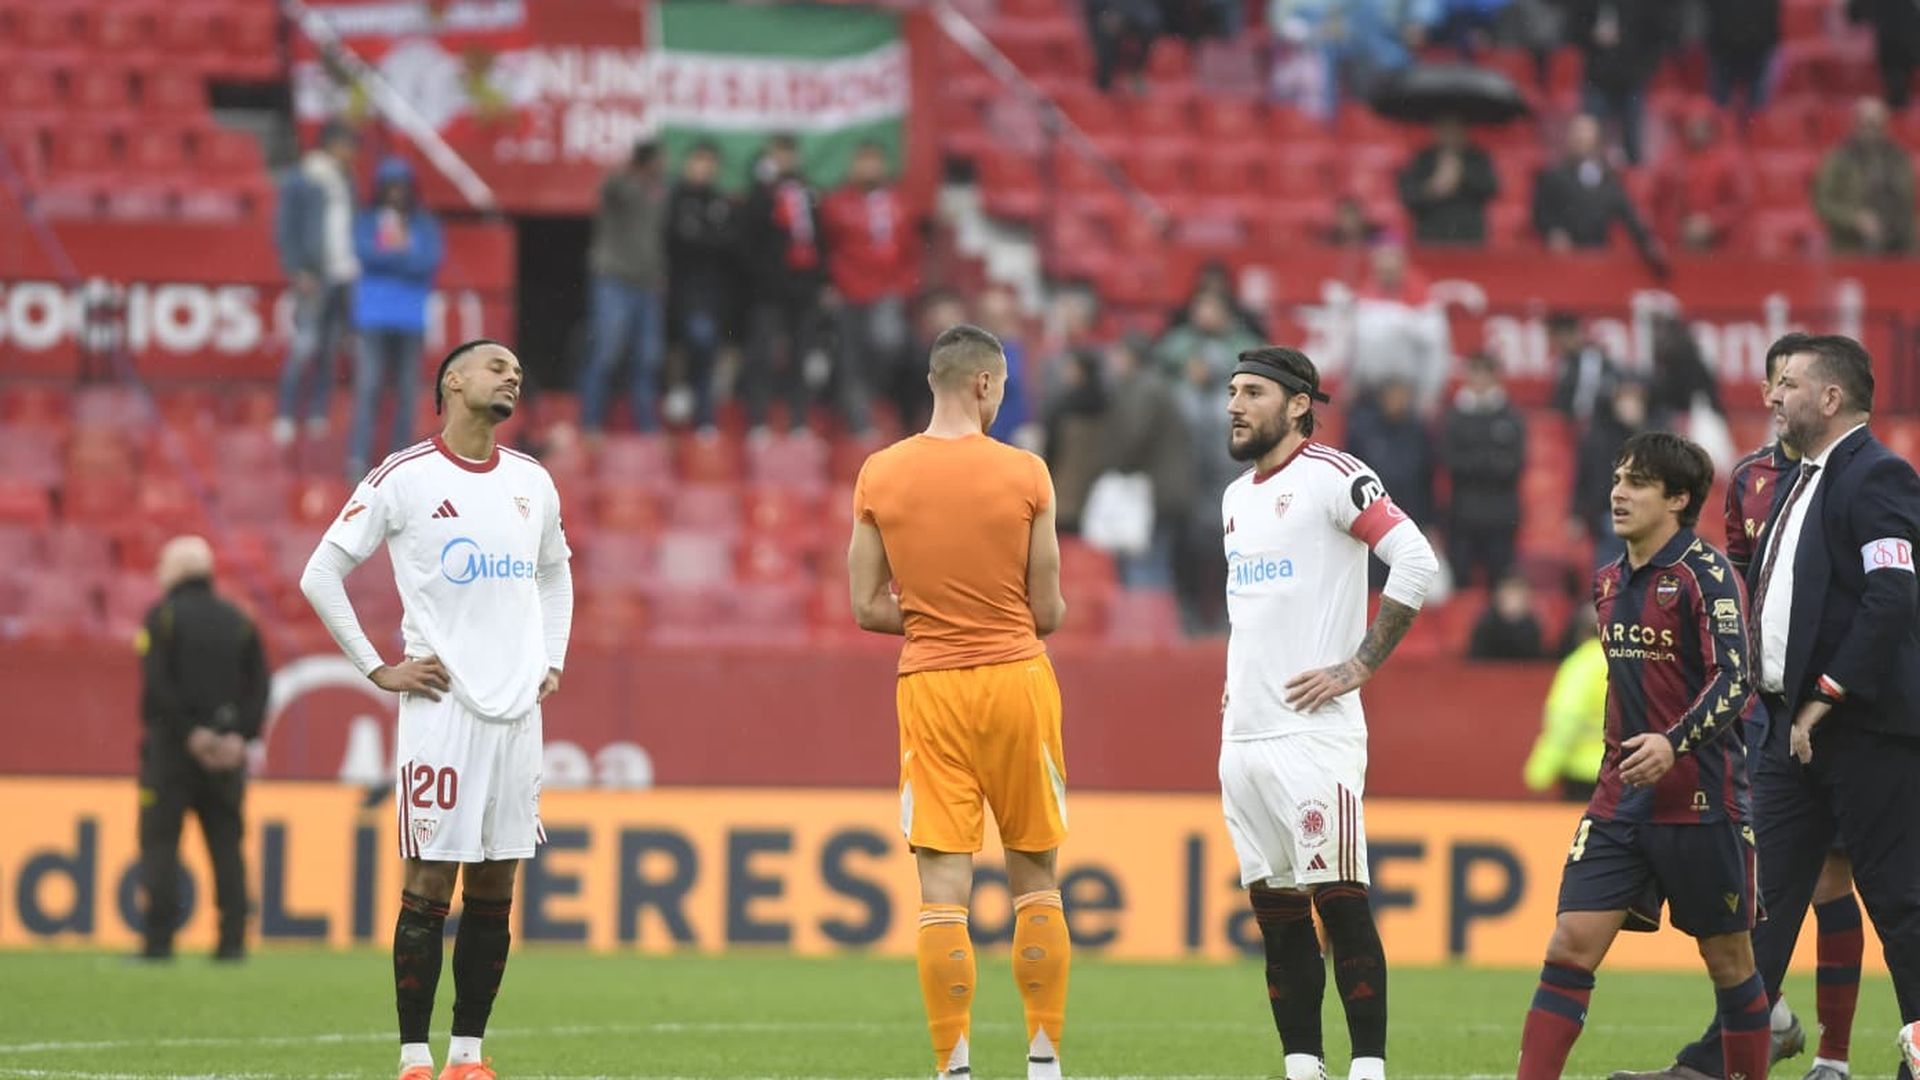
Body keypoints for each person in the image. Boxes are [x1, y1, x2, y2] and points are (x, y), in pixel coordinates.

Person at [1614, 334, 1920, 1080]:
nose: (1773, 396)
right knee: (1766, 901)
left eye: (1788, 385)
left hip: (1866, 728)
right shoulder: (1791, 479)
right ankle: (1722, 1059)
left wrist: (1830, 694)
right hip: (1786, 726)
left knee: (1899, 903)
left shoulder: (1880, 476)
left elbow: (1893, 595)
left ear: (1831, 398)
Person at [299, 339, 574, 1080]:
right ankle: (414, 1058)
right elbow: (321, 571)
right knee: (430, 883)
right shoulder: (405, 478)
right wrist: (378, 668)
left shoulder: (533, 482)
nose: (512, 374)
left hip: (518, 714)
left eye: (519, 369)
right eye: (495, 366)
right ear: (452, 381)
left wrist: (552, 657)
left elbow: (556, 574)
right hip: (442, 708)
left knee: (497, 885)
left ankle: (468, 1057)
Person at [847, 324, 1071, 1080]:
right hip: (1016, 679)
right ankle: (1043, 1061)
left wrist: (938, 614)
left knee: (943, 890)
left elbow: (865, 605)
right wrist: (995, 614)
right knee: (1034, 876)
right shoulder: (1027, 473)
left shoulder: (880, 472)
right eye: (1002, 386)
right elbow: (1047, 609)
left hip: (931, 687)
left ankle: (955, 1065)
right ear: (982, 384)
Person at [1217, 346, 1440, 1080]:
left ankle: (1368, 1068)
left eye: (1252, 392)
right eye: (1231, 392)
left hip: (1313, 736)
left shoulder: (1335, 477)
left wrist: (1360, 665)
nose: (1235, 405)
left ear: (1298, 404)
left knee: (1339, 903)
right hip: (1243, 735)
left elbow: (1414, 559)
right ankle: (1302, 1068)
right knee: (1276, 918)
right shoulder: (1234, 498)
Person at [1515, 431, 1765, 1080]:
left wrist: (1673, 741)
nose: (1617, 494)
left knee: (1731, 963)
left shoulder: (1708, 577)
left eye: (1637, 483)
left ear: (1678, 499)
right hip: (1619, 800)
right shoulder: (1606, 583)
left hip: (1702, 800)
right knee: (1571, 945)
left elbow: (1736, 680)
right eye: (1617, 479)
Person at [1718, 342, 1860, 1077]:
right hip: (1760, 707)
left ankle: (1832, 1057)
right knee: (1747, 875)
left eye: (1789, 382)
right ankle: (1765, 1015)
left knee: (1834, 880)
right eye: (1771, 382)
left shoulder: (1851, 475)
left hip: (1832, 707)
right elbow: (1737, 592)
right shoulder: (1747, 480)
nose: (1776, 395)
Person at [135, 535, 269, 962]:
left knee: (160, 846)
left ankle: (159, 943)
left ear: (175, 570)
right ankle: (232, 942)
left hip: (172, 754)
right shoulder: (240, 619)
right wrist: (238, 737)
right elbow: (260, 687)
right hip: (227, 758)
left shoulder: (164, 617)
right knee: (226, 848)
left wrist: (192, 734)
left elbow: (156, 687)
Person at [348, 156, 444, 482]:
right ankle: (358, 458)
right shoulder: (367, 220)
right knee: (369, 387)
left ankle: (401, 462)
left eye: (401, 188)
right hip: (373, 316)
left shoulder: (424, 223)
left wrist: (390, 259)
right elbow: (364, 254)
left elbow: (428, 261)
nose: (395, 194)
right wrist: (403, 258)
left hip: (410, 318)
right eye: (389, 188)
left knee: (406, 391)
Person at [823, 141, 920, 437]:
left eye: (873, 162)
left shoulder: (899, 204)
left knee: (887, 342)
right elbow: (827, 246)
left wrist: (904, 285)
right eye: (862, 162)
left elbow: (910, 249)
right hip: (849, 290)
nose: (868, 169)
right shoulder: (837, 204)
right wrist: (830, 285)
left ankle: (879, 398)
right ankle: (858, 419)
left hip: (886, 290)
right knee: (851, 357)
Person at [274, 119, 359, 448]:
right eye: (347, 144)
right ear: (332, 144)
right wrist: (297, 269)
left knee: (330, 345)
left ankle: (318, 411)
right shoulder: (304, 178)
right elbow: (285, 227)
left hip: (344, 273)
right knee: (305, 344)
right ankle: (285, 412)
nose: (352, 152)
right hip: (314, 273)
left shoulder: (346, 180)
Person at [740, 134, 828, 438]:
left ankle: (799, 421)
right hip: (769, 291)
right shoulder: (761, 194)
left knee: (801, 356)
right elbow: (749, 240)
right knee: (762, 355)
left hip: (803, 290)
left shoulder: (808, 193)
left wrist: (820, 282)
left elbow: (819, 240)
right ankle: (758, 421)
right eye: (779, 154)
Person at [579, 140, 669, 435]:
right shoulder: (623, 185)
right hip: (614, 280)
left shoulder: (659, 193)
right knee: (607, 352)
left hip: (646, 285)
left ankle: (647, 430)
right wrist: (634, 166)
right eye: (658, 160)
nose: (663, 165)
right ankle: (591, 424)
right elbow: (609, 188)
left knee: (647, 358)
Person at [665, 141, 738, 436]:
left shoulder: (719, 201)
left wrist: (701, 237)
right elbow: (678, 239)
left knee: (706, 346)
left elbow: (729, 242)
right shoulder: (674, 197)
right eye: (699, 161)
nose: (703, 168)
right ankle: (679, 394)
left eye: (709, 163)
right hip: (675, 289)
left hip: (711, 293)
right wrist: (706, 238)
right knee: (683, 343)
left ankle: (704, 416)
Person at [1440, 352, 1526, 589]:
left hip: (1501, 516)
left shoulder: (1511, 416)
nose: (1478, 379)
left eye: (1484, 372)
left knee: (1500, 585)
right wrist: (1490, 460)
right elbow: (1452, 463)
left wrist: (1475, 461)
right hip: (1463, 517)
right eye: (1473, 372)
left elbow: (1514, 466)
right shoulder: (1454, 417)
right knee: (1461, 584)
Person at [1531, 115, 1663, 266]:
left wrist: (1646, 242)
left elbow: (1627, 214)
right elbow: (1540, 213)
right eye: (1577, 134)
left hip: (1598, 255)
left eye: (1586, 134)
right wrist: (1552, 233)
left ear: (1597, 140)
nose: (1581, 139)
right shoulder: (1553, 175)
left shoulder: (1608, 178)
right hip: (1563, 257)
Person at [1813, 97, 1917, 256]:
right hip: (1850, 250)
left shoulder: (1900, 158)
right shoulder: (1838, 159)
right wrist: (1855, 219)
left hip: (1897, 249)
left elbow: (1909, 204)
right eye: (1866, 124)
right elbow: (1822, 203)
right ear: (1855, 124)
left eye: (1877, 125)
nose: (1871, 131)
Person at [1522, 612, 1607, 802]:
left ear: (1581, 634)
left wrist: (1541, 772)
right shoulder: (1633, 663)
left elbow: (1566, 723)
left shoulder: (1582, 665)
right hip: (1627, 773)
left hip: (1583, 774)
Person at [1650, 104, 1751, 255]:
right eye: (1691, 125)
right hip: (1679, 242)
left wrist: (1712, 223)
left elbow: (1741, 203)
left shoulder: (1730, 159)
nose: (1696, 131)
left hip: (1719, 243)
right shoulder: (1671, 157)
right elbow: (1658, 200)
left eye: (1702, 125)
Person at [1395, 116, 1499, 246]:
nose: (1450, 134)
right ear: (1435, 132)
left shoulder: (1477, 157)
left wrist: (1462, 174)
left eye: (1455, 129)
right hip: (1431, 235)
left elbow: (1491, 189)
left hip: (1469, 235)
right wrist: (1434, 186)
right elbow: (1409, 197)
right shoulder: (1421, 159)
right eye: (1445, 129)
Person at [1467, 571, 1546, 660]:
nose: (1513, 599)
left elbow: (1536, 663)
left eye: (1518, 594)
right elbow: (1475, 662)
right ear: (1498, 596)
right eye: (1509, 593)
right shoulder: (1485, 626)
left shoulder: (1533, 627)